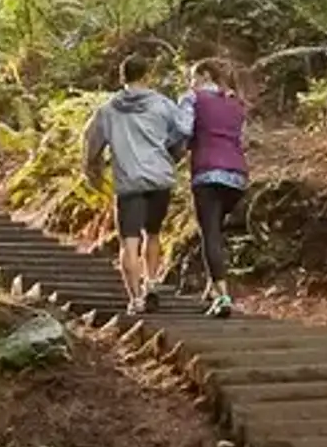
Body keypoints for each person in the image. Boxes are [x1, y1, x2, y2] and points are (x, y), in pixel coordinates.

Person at [82, 46, 192, 314]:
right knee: (152, 234)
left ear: (122, 77)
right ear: (147, 76)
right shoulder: (163, 104)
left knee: (129, 242)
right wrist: (173, 155)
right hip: (159, 179)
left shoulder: (108, 110)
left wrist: (91, 168)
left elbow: (90, 140)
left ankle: (135, 299)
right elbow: (182, 133)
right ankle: (151, 283)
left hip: (128, 182)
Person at [183, 58, 251, 318]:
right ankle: (212, 290)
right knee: (216, 231)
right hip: (237, 176)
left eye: (193, 76)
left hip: (208, 173)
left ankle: (223, 296)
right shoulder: (235, 103)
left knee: (209, 233)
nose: (191, 83)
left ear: (205, 75)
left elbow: (184, 129)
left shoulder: (194, 99)